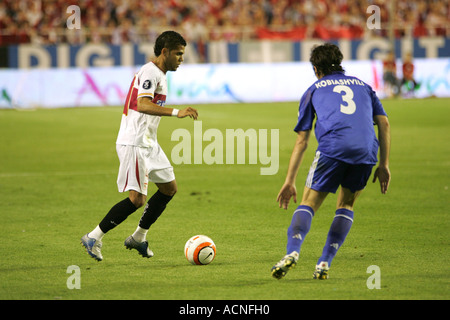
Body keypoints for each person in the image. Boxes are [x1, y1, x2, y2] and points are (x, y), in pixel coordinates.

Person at [272, 43, 390, 280]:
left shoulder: (313, 90)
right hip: (366, 152)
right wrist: (384, 165)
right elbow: (384, 124)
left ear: (316, 68)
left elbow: (302, 141)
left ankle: (293, 252)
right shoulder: (364, 86)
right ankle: (324, 262)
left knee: (308, 203)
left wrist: (289, 180)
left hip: (333, 150)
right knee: (346, 205)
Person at [81, 31, 198, 261]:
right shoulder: (149, 72)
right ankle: (93, 237)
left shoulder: (160, 74)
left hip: (148, 143)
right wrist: (177, 112)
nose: (181, 59)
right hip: (134, 142)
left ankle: (139, 237)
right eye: (178, 54)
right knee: (137, 199)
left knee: (169, 188)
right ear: (164, 52)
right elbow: (141, 104)